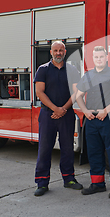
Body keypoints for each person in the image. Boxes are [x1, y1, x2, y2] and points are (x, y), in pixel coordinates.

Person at [33, 41, 82, 196]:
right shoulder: (43, 69)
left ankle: (69, 179)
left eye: (61, 50)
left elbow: (76, 92)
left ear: (65, 51)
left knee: (67, 148)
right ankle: (42, 183)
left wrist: (64, 109)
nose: (58, 53)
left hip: (66, 114)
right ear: (51, 52)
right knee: (45, 148)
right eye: (55, 50)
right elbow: (39, 92)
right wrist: (56, 109)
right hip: (48, 114)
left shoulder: (72, 69)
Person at [76, 46, 110, 199]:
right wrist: (85, 111)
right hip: (91, 118)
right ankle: (97, 184)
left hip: (109, 117)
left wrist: (106, 110)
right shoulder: (88, 75)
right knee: (94, 152)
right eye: (96, 57)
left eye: (101, 57)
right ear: (93, 59)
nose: (99, 59)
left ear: (106, 57)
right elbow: (78, 96)